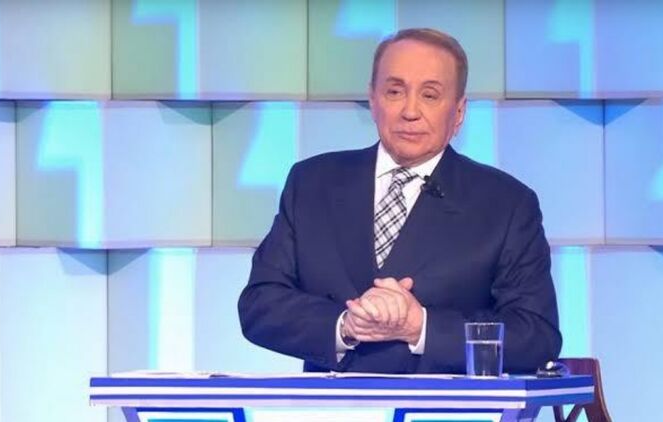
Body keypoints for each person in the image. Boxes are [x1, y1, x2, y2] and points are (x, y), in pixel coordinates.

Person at [238, 28, 561, 374]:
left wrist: (420, 327)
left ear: (459, 112)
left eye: (430, 95)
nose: (410, 111)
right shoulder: (313, 183)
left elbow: (535, 336)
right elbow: (261, 304)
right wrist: (345, 324)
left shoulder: (506, 205)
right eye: (395, 91)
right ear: (372, 100)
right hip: (334, 400)